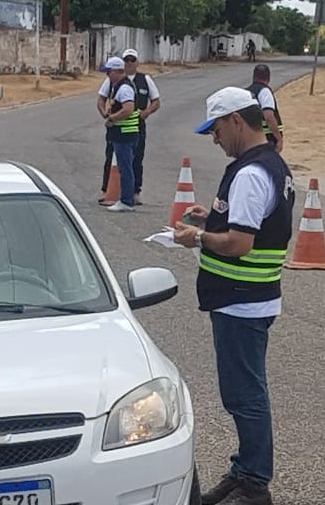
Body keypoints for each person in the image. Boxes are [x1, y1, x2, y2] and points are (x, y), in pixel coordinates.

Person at [173, 87, 295, 505]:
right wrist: (215, 217)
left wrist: (198, 237)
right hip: (251, 297)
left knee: (244, 395)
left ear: (236, 122)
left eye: (216, 129)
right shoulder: (272, 164)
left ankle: (254, 483)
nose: (215, 138)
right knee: (244, 391)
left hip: (241, 299)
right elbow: (256, 223)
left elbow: (240, 244)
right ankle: (246, 470)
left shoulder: (249, 173)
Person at [121, 48, 160, 205]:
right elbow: (103, 97)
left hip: (138, 125)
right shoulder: (118, 78)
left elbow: (156, 101)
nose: (129, 63)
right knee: (116, 158)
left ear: (137, 62)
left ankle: (135, 191)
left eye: (132, 60)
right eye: (126, 60)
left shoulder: (145, 80)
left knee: (137, 158)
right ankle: (113, 190)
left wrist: (147, 112)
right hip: (120, 125)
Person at [101, 57, 140, 212]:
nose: (107, 75)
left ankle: (126, 201)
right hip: (123, 133)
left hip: (125, 133)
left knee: (125, 168)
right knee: (125, 167)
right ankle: (125, 199)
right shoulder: (117, 86)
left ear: (117, 71)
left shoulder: (124, 89)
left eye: (109, 72)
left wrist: (112, 118)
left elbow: (128, 108)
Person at [246, 64, 284, 152]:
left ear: (253, 77)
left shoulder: (247, 92)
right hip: (266, 139)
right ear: (268, 78)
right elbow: (269, 117)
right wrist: (278, 138)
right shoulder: (264, 92)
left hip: (249, 139)